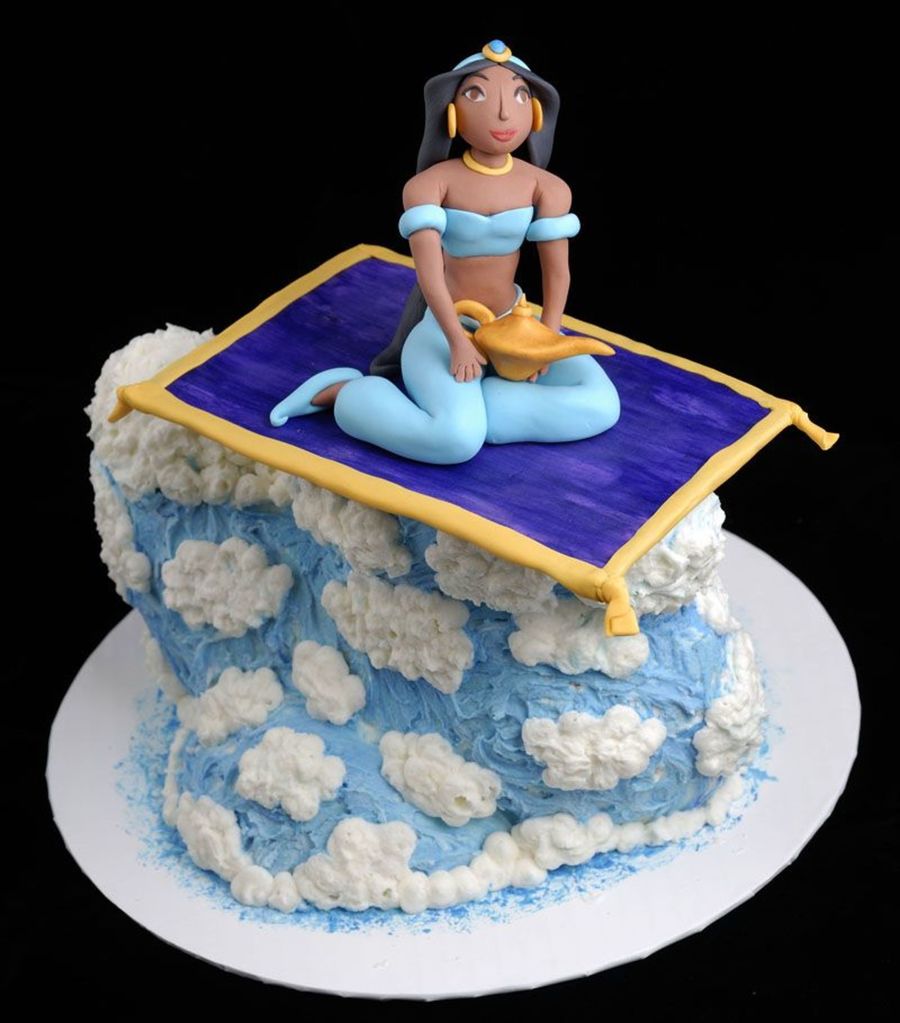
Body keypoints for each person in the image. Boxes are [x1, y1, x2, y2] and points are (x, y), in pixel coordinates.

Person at [269, 40, 620, 464]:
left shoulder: (547, 187)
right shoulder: (431, 185)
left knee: (603, 404)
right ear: (451, 113)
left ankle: (489, 409)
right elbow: (429, 274)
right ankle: (350, 395)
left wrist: (545, 339)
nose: (503, 114)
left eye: (518, 95)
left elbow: (558, 273)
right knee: (454, 441)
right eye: (478, 93)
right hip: (446, 330)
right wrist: (457, 341)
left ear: (536, 112)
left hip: (516, 326)